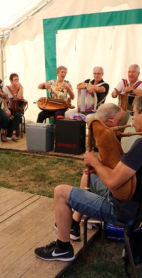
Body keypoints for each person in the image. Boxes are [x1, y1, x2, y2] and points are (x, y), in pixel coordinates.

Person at [34, 95, 142, 262]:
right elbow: (123, 175)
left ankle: (63, 248)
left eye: (134, 113)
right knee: (89, 178)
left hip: (122, 211)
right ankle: (74, 225)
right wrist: (98, 171)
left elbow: (113, 181)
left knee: (60, 192)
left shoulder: (140, 146)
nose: (133, 116)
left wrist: (95, 162)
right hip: (132, 207)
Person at [3, 73, 24, 141]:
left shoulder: (20, 88)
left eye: (18, 79)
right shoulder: (6, 88)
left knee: (17, 114)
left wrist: (20, 88)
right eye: (15, 80)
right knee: (5, 115)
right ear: (11, 81)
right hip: (8, 107)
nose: (17, 81)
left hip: (16, 108)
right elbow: (4, 101)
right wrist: (6, 109)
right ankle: (4, 133)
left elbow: (19, 98)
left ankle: (14, 134)